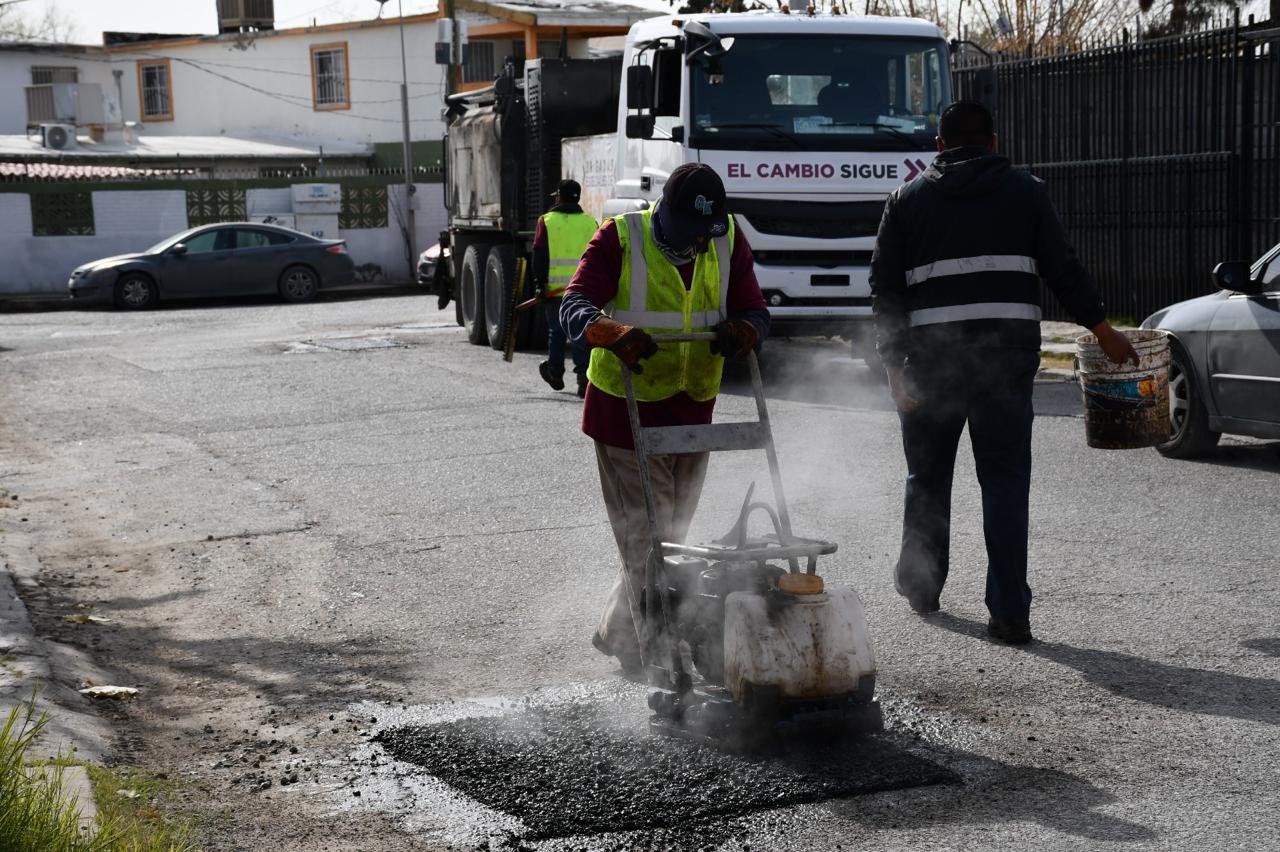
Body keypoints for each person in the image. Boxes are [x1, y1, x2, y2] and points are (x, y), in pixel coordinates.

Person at [869, 100, 1138, 645]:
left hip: (930, 364)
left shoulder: (906, 200)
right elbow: (1063, 267)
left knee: (927, 478)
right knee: (1006, 483)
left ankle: (922, 587)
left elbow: (886, 292)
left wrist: (893, 367)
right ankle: (1010, 612)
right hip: (1005, 362)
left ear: (939, 147)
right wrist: (1103, 329)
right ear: (992, 142)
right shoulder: (1026, 191)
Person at [560, 163, 770, 674]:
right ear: (665, 214)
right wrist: (611, 331)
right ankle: (660, 658)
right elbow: (574, 304)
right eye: (688, 232)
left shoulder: (727, 238)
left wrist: (744, 329)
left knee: (666, 536)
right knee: (650, 539)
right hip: (625, 412)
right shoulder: (622, 237)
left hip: (693, 407)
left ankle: (619, 632)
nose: (697, 243)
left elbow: (756, 309)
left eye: (706, 232)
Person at [533, 179, 597, 397]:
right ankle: (583, 379)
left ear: (559, 196)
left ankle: (555, 372)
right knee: (581, 331)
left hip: (556, 290)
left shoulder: (547, 221)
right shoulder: (591, 223)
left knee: (558, 331)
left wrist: (539, 285)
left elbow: (540, 256)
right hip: (584, 290)